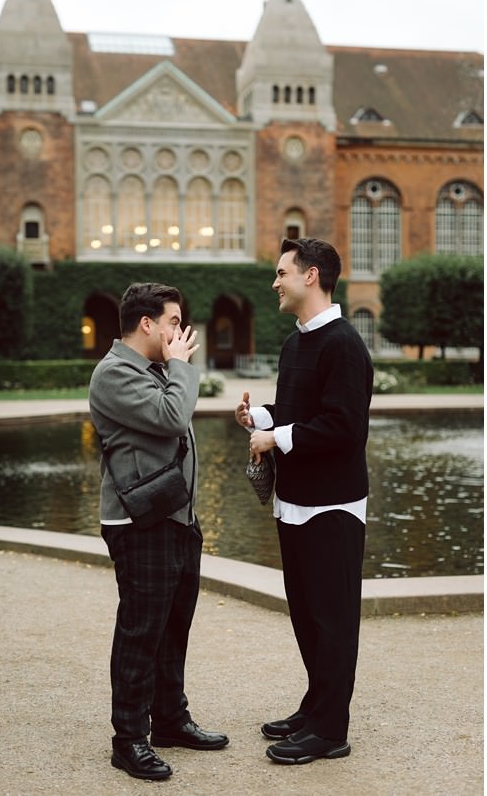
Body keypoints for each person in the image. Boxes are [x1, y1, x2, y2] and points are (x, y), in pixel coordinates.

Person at [236, 237, 373, 765]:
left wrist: (278, 439)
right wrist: (262, 419)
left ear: (310, 276)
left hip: (333, 505)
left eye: (281, 272)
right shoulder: (296, 342)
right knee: (307, 616)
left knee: (333, 620)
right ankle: (315, 707)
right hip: (293, 502)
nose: (275, 282)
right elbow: (298, 407)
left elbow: (343, 427)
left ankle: (331, 730)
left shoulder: (344, 345)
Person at [90, 282, 229, 781]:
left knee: (173, 626)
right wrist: (182, 366)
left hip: (177, 518)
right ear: (146, 324)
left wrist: (172, 367)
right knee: (140, 630)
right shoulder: (113, 374)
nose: (180, 330)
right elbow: (173, 416)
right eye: (173, 321)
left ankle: (169, 719)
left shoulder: (152, 369)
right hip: (141, 521)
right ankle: (128, 739)